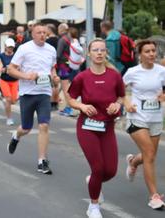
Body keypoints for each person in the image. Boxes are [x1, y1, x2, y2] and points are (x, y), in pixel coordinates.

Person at [66, 38, 125, 218]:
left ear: (106, 53)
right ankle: (93, 206)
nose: (99, 53)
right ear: (89, 54)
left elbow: (121, 97)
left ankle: (93, 181)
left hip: (107, 127)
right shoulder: (82, 77)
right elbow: (70, 98)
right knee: (98, 167)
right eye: (95, 50)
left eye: (102, 50)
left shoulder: (114, 75)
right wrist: (82, 107)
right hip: (87, 127)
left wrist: (117, 105)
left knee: (111, 171)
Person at [7, 23, 59, 175]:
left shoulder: (51, 49)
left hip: (44, 92)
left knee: (44, 126)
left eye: (44, 32)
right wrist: (26, 76)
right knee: (26, 128)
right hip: (27, 93)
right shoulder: (24, 48)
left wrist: (54, 77)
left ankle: (41, 161)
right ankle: (16, 136)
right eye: (39, 32)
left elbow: (52, 68)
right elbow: (10, 69)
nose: (42, 35)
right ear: (33, 34)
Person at [123, 40, 165, 210]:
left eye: (153, 51)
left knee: (150, 155)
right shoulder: (133, 72)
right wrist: (126, 103)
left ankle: (133, 162)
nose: (151, 54)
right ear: (139, 54)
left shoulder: (162, 71)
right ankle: (154, 196)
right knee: (149, 153)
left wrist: (163, 96)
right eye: (147, 51)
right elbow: (118, 89)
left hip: (155, 117)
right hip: (136, 117)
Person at [0, 38, 19, 125]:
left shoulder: (16, 56)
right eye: (9, 47)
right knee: (8, 99)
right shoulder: (1, 56)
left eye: (12, 47)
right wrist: (3, 69)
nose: (10, 49)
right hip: (4, 80)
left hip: (14, 80)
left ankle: (6, 101)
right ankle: (9, 118)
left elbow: (19, 66)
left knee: (13, 101)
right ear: (5, 47)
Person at [56, 23, 75, 116]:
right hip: (71, 65)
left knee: (65, 89)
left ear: (61, 29)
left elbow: (58, 54)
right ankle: (68, 107)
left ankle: (69, 108)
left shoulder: (62, 40)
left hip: (63, 66)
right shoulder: (71, 39)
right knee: (68, 87)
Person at [46, 24, 59, 111]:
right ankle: (55, 102)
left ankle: (51, 103)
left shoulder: (49, 40)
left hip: (50, 62)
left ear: (50, 30)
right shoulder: (58, 39)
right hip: (57, 62)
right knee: (56, 83)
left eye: (46, 29)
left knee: (51, 83)